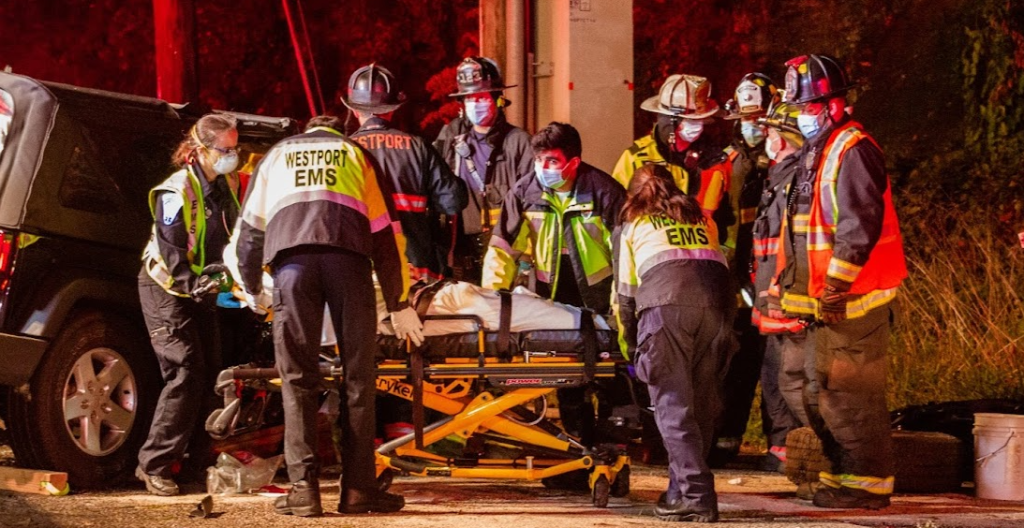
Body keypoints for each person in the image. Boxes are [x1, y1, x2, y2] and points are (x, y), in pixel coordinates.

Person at [234, 114, 424, 516]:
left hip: (292, 267)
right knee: (358, 378)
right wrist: (398, 300)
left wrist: (251, 287)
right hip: (348, 265)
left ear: (306, 130)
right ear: (338, 127)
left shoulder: (277, 155)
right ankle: (358, 491)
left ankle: (304, 491)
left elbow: (250, 229)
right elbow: (386, 233)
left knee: (297, 379)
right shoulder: (356, 154)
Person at [776, 54, 907, 509]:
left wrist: (836, 286)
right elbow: (802, 229)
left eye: (809, 108)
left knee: (850, 396)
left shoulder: (853, 149)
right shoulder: (819, 150)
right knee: (813, 392)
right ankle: (841, 473)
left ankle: (867, 486)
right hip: (820, 301)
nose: (802, 117)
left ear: (834, 105)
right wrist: (787, 289)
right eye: (799, 109)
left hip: (855, 301)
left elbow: (858, 225)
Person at [482, 122, 625, 445]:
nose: (543, 168)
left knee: (607, 366)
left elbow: (623, 253)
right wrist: (491, 303)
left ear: (573, 162)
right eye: (539, 160)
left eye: (552, 161)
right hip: (551, 292)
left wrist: (620, 302)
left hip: (600, 291)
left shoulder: (603, 191)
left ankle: (614, 430)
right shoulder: (524, 192)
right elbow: (502, 250)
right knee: (564, 367)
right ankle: (575, 437)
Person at [615, 164, 734, 523]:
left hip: (666, 310)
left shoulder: (635, 226)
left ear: (633, 196)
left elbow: (624, 296)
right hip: (719, 310)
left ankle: (697, 497)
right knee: (700, 407)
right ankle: (678, 492)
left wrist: (630, 346)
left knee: (672, 407)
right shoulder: (703, 221)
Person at [136, 114, 241, 496]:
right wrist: (195, 285)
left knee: (212, 372)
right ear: (199, 151)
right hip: (166, 288)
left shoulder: (225, 185)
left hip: (201, 290)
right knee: (185, 370)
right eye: (225, 150)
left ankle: (197, 465)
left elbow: (232, 235)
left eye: (235, 149)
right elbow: (172, 249)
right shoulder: (174, 191)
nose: (233, 156)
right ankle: (154, 465)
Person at [709, 73, 780, 468]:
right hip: (737, 280)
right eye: (746, 118)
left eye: (759, 118)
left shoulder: (789, 158)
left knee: (777, 367)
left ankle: (779, 445)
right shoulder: (727, 163)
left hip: (774, 279)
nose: (752, 125)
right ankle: (725, 439)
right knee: (735, 365)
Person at [346, 63, 468, 281]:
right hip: (414, 272)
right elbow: (453, 201)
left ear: (354, 110)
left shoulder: (345, 150)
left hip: (360, 272)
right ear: (393, 109)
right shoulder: (417, 147)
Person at [434, 57, 533, 282]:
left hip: (504, 250)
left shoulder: (519, 142)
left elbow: (532, 203)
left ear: (497, 98)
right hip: (460, 250)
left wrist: (526, 257)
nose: (474, 104)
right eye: (469, 98)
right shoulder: (451, 138)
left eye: (480, 97)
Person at [749, 100, 809, 471]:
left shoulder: (792, 181)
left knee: (785, 377)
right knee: (777, 375)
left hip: (784, 294)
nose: (765, 138)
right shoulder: (781, 177)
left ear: (784, 139)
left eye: (770, 133)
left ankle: (791, 452)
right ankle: (783, 450)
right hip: (773, 291)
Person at [612, 74, 732, 233]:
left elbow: (726, 216)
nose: (697, 126)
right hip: (652, 250)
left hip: (703, 250)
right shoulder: (636, 158)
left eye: (700, 119)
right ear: (669, 121)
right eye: (690, 119)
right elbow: (616, 214)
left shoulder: (715, 161)